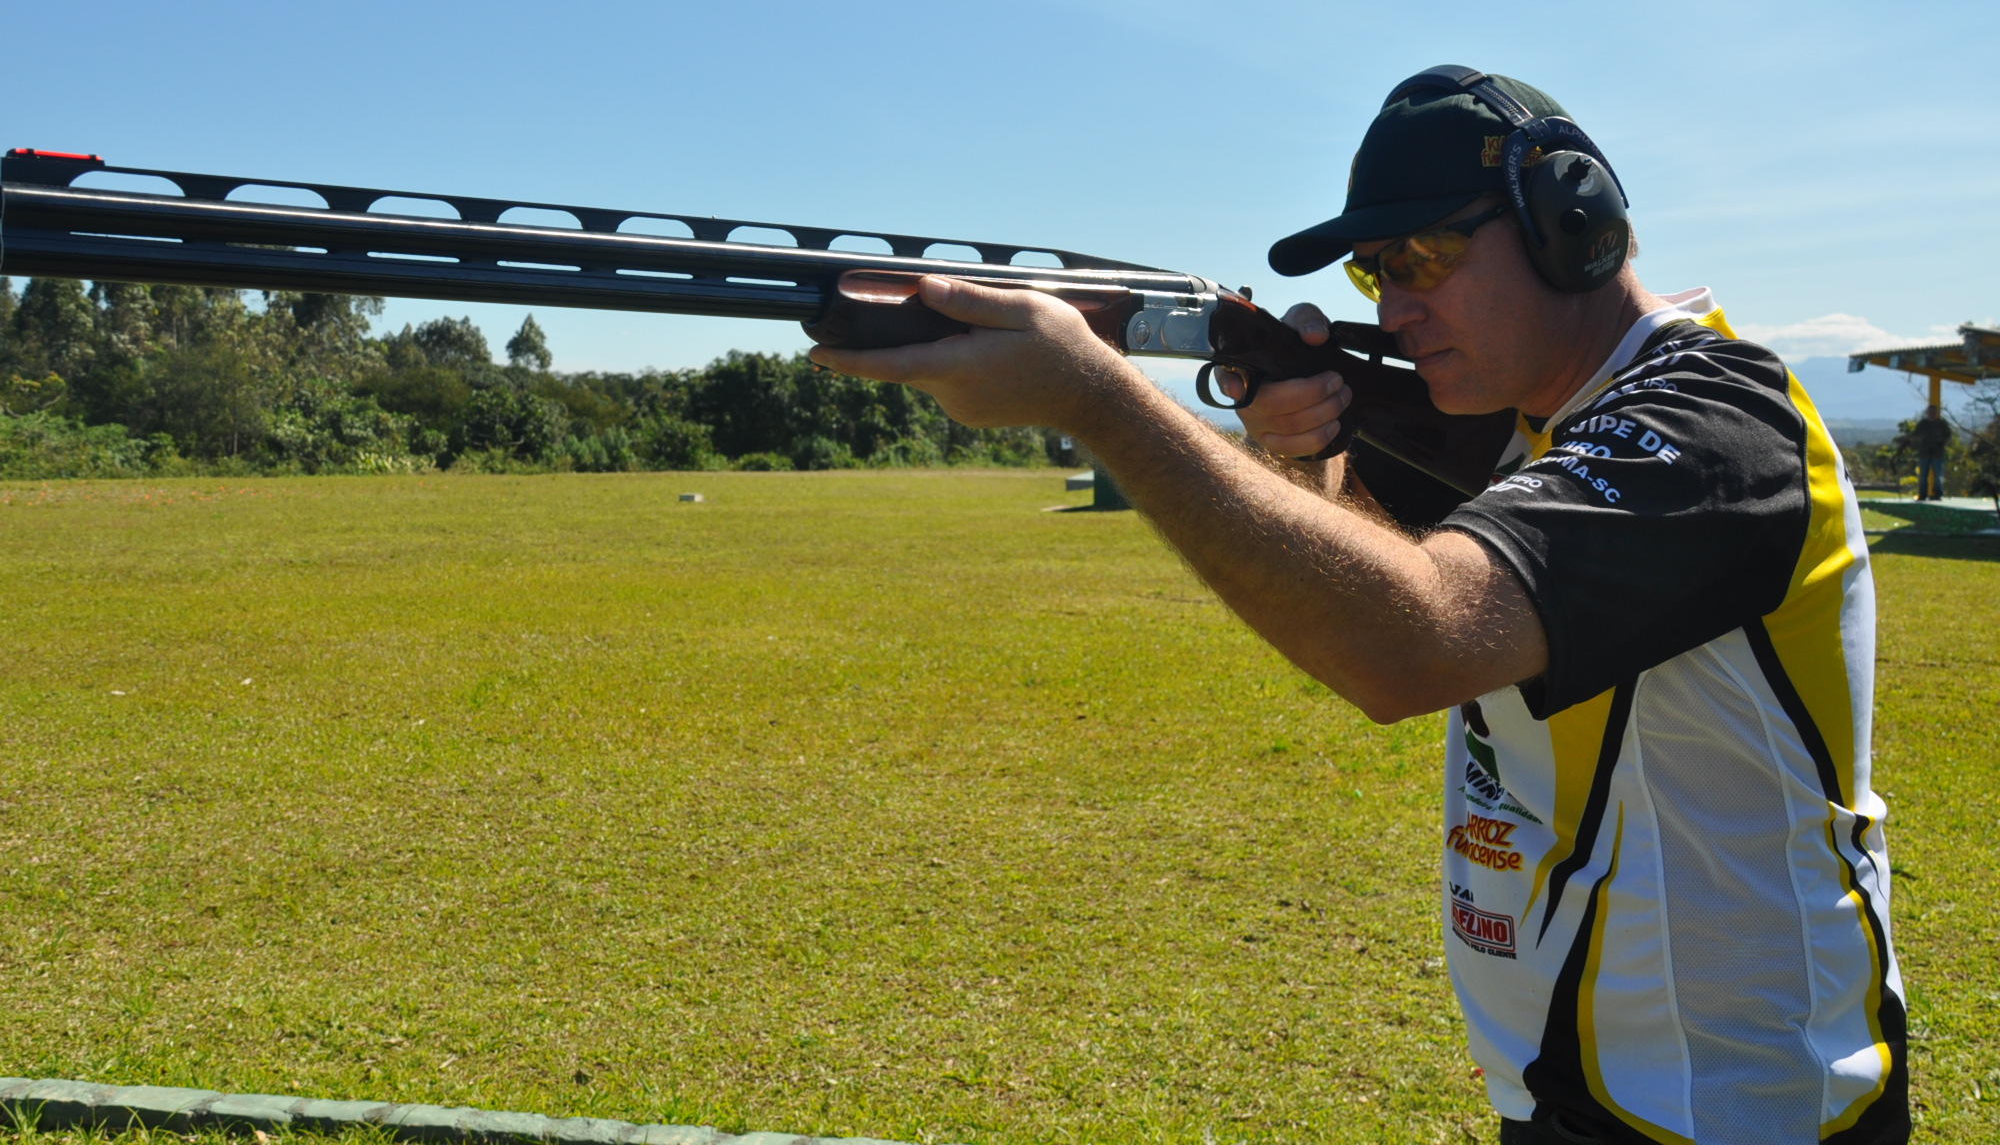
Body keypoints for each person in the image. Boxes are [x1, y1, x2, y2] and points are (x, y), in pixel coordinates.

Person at [810, 67, 1909, 1144]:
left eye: (1424, 255)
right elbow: (1365, 570)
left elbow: (1411, 642)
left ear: (1569, 219)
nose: (1394, 306)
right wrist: (1307, 451)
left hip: (1733, 1099)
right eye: (1372, 273)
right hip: (1578, 1078)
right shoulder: (1536, 427)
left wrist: (1100, 397)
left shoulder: (1713, 420)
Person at [1912, 407, 1953, 500]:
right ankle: (1922, 494)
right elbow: (1915, 435)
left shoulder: (1942, 424)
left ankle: (1937, 494)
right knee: (1923, 476)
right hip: (1924, 453)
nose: (1932, 414)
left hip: (1937, 453)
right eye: (1930, 412)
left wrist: (1940, 441)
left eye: (1934, 412)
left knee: (1938, 475)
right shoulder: (1923, 424)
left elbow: (1948, 435)